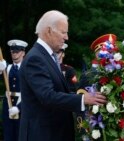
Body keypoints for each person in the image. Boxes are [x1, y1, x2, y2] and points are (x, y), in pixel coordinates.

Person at [18, 10, 107, 141]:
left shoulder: (46, 56)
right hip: (42, 135)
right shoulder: (35, 58)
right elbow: (48, 96)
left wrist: (84, 98)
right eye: (63, 32)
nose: (66, 38)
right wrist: (83, 100)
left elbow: (58, 92)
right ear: (49, 31)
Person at [0, 39, 27, 141]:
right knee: (8, 135)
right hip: (8, 105)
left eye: (17, 52)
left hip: (23, 106)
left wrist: (19, 107)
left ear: (23, 52)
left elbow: (31, 93)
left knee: (21, 136)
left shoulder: (28, 68)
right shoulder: (7, 67)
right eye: (12, 52)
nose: (14, 54)